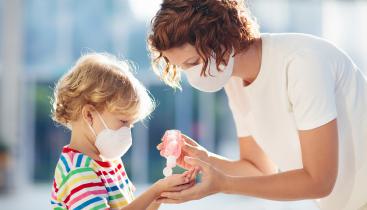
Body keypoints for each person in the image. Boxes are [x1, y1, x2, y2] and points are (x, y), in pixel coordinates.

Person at [148, 0, 367, 210]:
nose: (193, 76)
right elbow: (259, 169)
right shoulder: (233, 79)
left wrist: (224, 185)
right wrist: (206, 159)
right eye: (183, 68)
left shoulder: (302, 63)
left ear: (221, 38)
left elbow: (319, 181)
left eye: (193, 62)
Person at [50, 53, 197, 210]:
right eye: (123, 121)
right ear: (89, 114)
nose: (127, 132)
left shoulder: (110, 161)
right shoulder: (78, 171)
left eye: (131, 125)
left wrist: (160, 195)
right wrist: (156, 190)